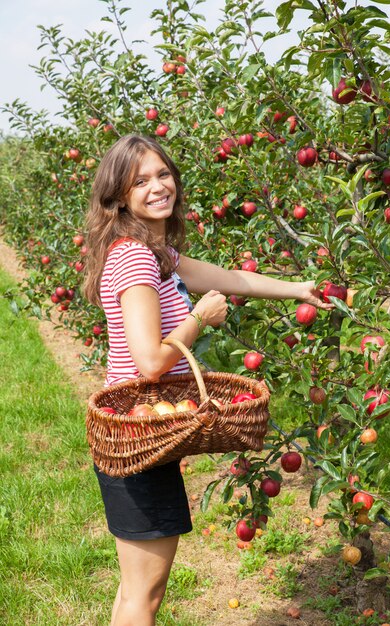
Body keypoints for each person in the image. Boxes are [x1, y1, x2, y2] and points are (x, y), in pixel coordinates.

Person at [83, 134, 332, 626]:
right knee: (143, 596)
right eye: (141, 180)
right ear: (119, 195)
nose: (159, 187)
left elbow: (231, 279)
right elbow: (151, 362)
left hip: (138, 433)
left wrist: (295, 288)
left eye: (163, 174)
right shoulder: (135, 258)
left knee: (134, 589)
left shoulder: (153, 252)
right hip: (139, 437)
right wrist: (199, 317)